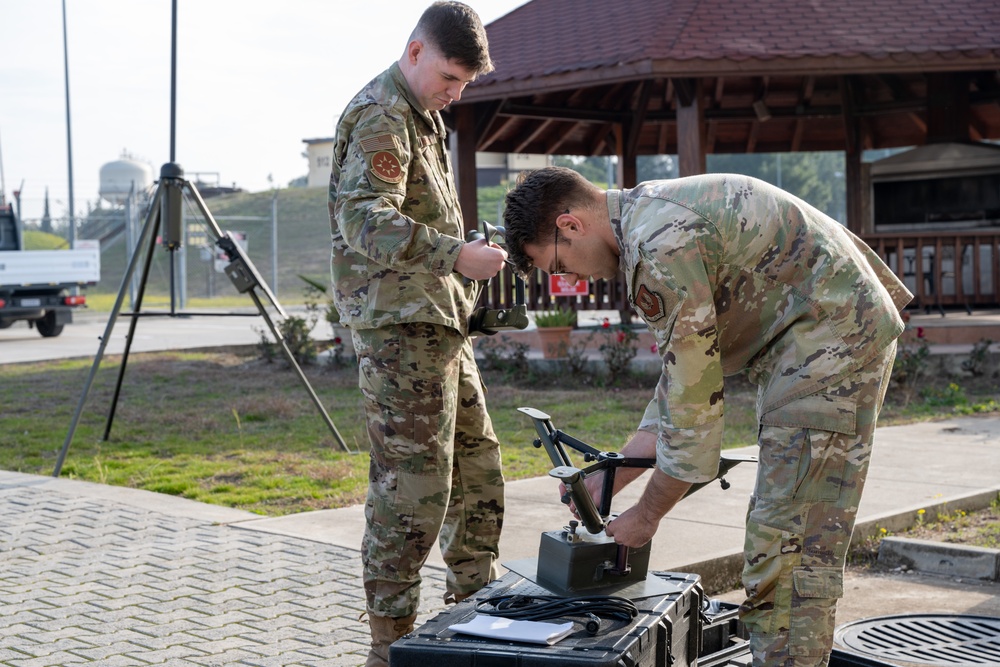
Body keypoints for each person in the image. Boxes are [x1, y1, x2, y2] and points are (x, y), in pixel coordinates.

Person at [502, 167, 912, 667]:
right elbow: (684, 378)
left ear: (570, 224)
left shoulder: (659, 246)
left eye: (558, 263)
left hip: (832, 342)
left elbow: (696, 415)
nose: (569, 279)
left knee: (788, 545)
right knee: (782, 536)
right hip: (818, 332)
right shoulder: (646, 219)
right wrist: (613, 476)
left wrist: (646, 516)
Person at [327, 4, 507, 665]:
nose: (454, 94)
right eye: (450, 77)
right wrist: (456, 257)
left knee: (479, 474)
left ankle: (474, 622)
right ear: (415, 52)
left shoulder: (421, 113)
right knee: (414, 491)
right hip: (399, 331)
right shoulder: (383, 112)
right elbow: (364, 222)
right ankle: (391, 646)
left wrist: (463, 259)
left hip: (438, 324)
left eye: (464, 84)